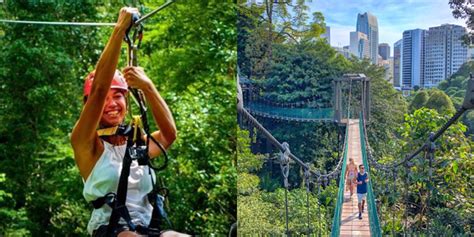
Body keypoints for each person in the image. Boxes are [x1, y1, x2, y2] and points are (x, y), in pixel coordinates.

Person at [71, 7, 187, 237]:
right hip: (110, 230)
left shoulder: (136, 144)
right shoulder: (86, 143)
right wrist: (118, 30)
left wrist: (148, 86)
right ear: (91, 105)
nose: (112, 103)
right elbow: (99, 90)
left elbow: (169, 135)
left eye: (118, 96)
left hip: (146, 229)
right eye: (105, 99)